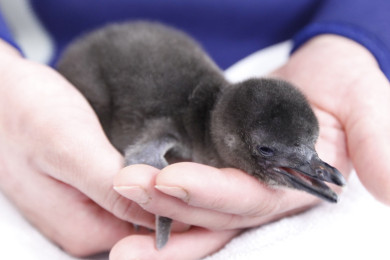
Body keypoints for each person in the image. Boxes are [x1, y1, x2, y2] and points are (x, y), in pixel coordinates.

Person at [0, 0, 389, 259]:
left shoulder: (235, 115)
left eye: (308, 149)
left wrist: (356, 36)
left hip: (295, 44)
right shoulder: (173, 128)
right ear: (231, 141)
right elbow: (145, 146)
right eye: (267, 153)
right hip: (58, 90)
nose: (316, 169)